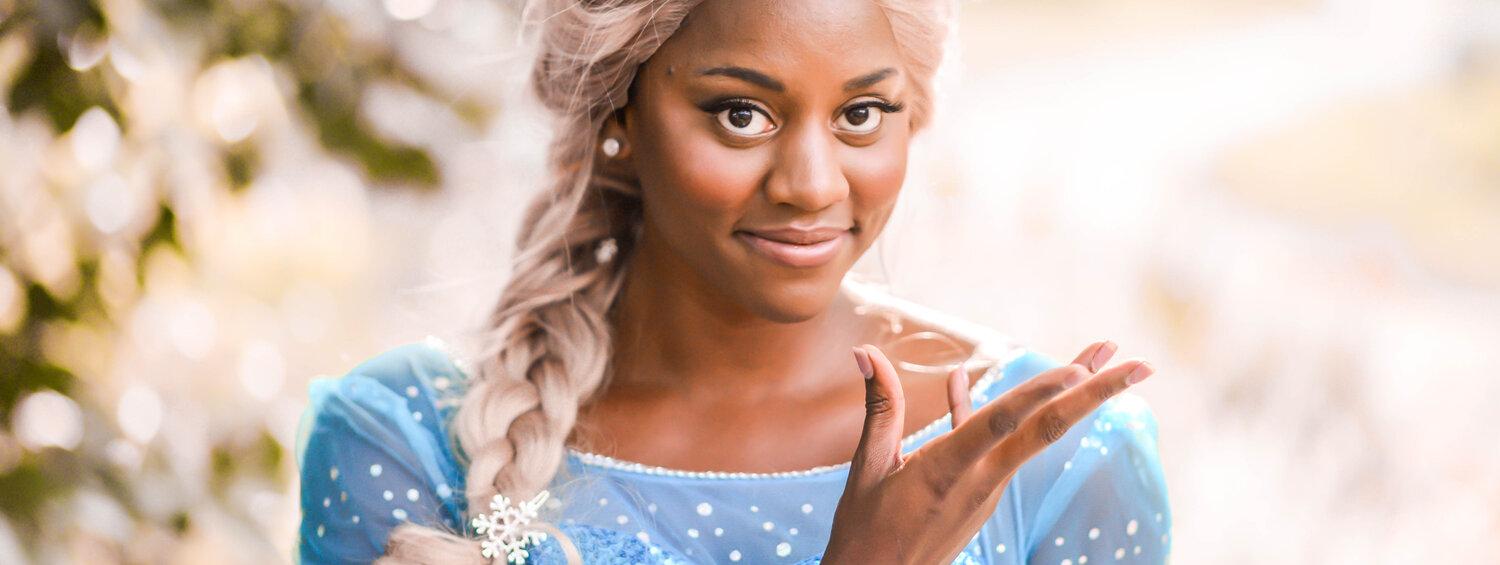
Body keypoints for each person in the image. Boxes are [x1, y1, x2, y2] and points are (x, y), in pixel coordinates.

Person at [295, 0, 1172, 563]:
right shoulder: (403, 440)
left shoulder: (1057, 462)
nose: (813, 184)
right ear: (619, 113)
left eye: (861, 115)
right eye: (741, 113)